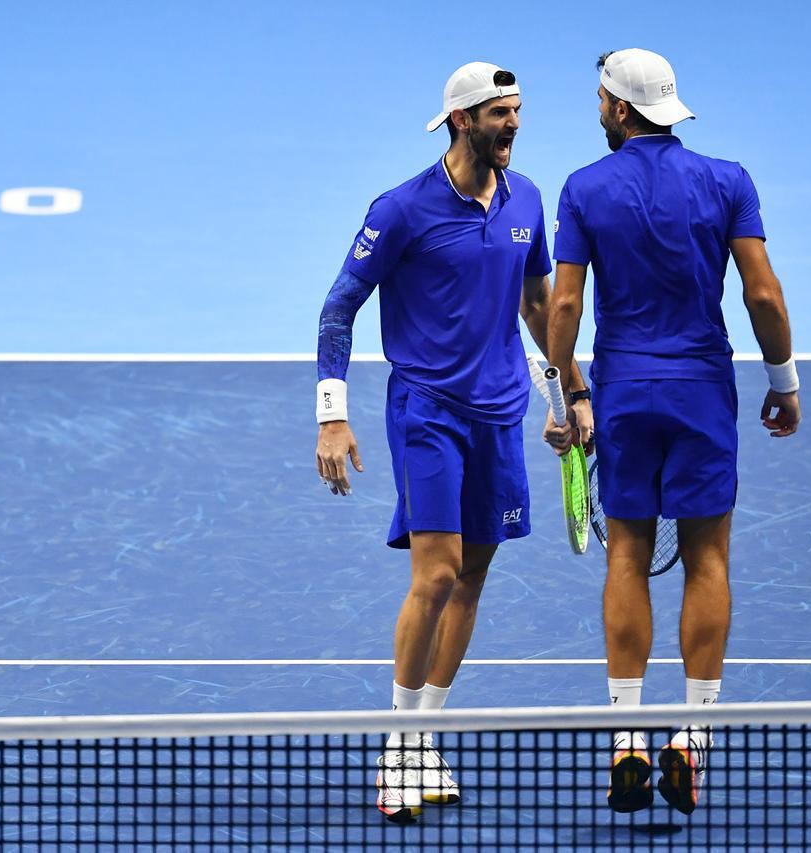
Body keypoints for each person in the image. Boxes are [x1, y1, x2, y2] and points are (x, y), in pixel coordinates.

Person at [313, 61, 585, 823]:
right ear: (463, 120)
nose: (516, 125)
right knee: (434, 576)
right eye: (502, 113)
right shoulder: (401, 209)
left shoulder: (528, 197)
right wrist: (332, 411)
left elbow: (537, 305)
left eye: (520, 111)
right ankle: (398, 745)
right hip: (427, 408)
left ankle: (425, 729)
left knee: (472, 577)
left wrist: (567, 391)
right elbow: (339, 307)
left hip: (500, 412)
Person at [545, 48, 801, 816]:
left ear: (621, 111)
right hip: (700, 391)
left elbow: (562, 311)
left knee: (625, 554)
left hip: (624, 391)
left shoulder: (584, 188)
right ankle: (692, 737)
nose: (597, 109)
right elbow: (762, 291)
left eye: (600, 100)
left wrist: (564, 396)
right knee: (708, 558)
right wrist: (782, 382)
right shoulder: (729, 181)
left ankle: (625, 734)